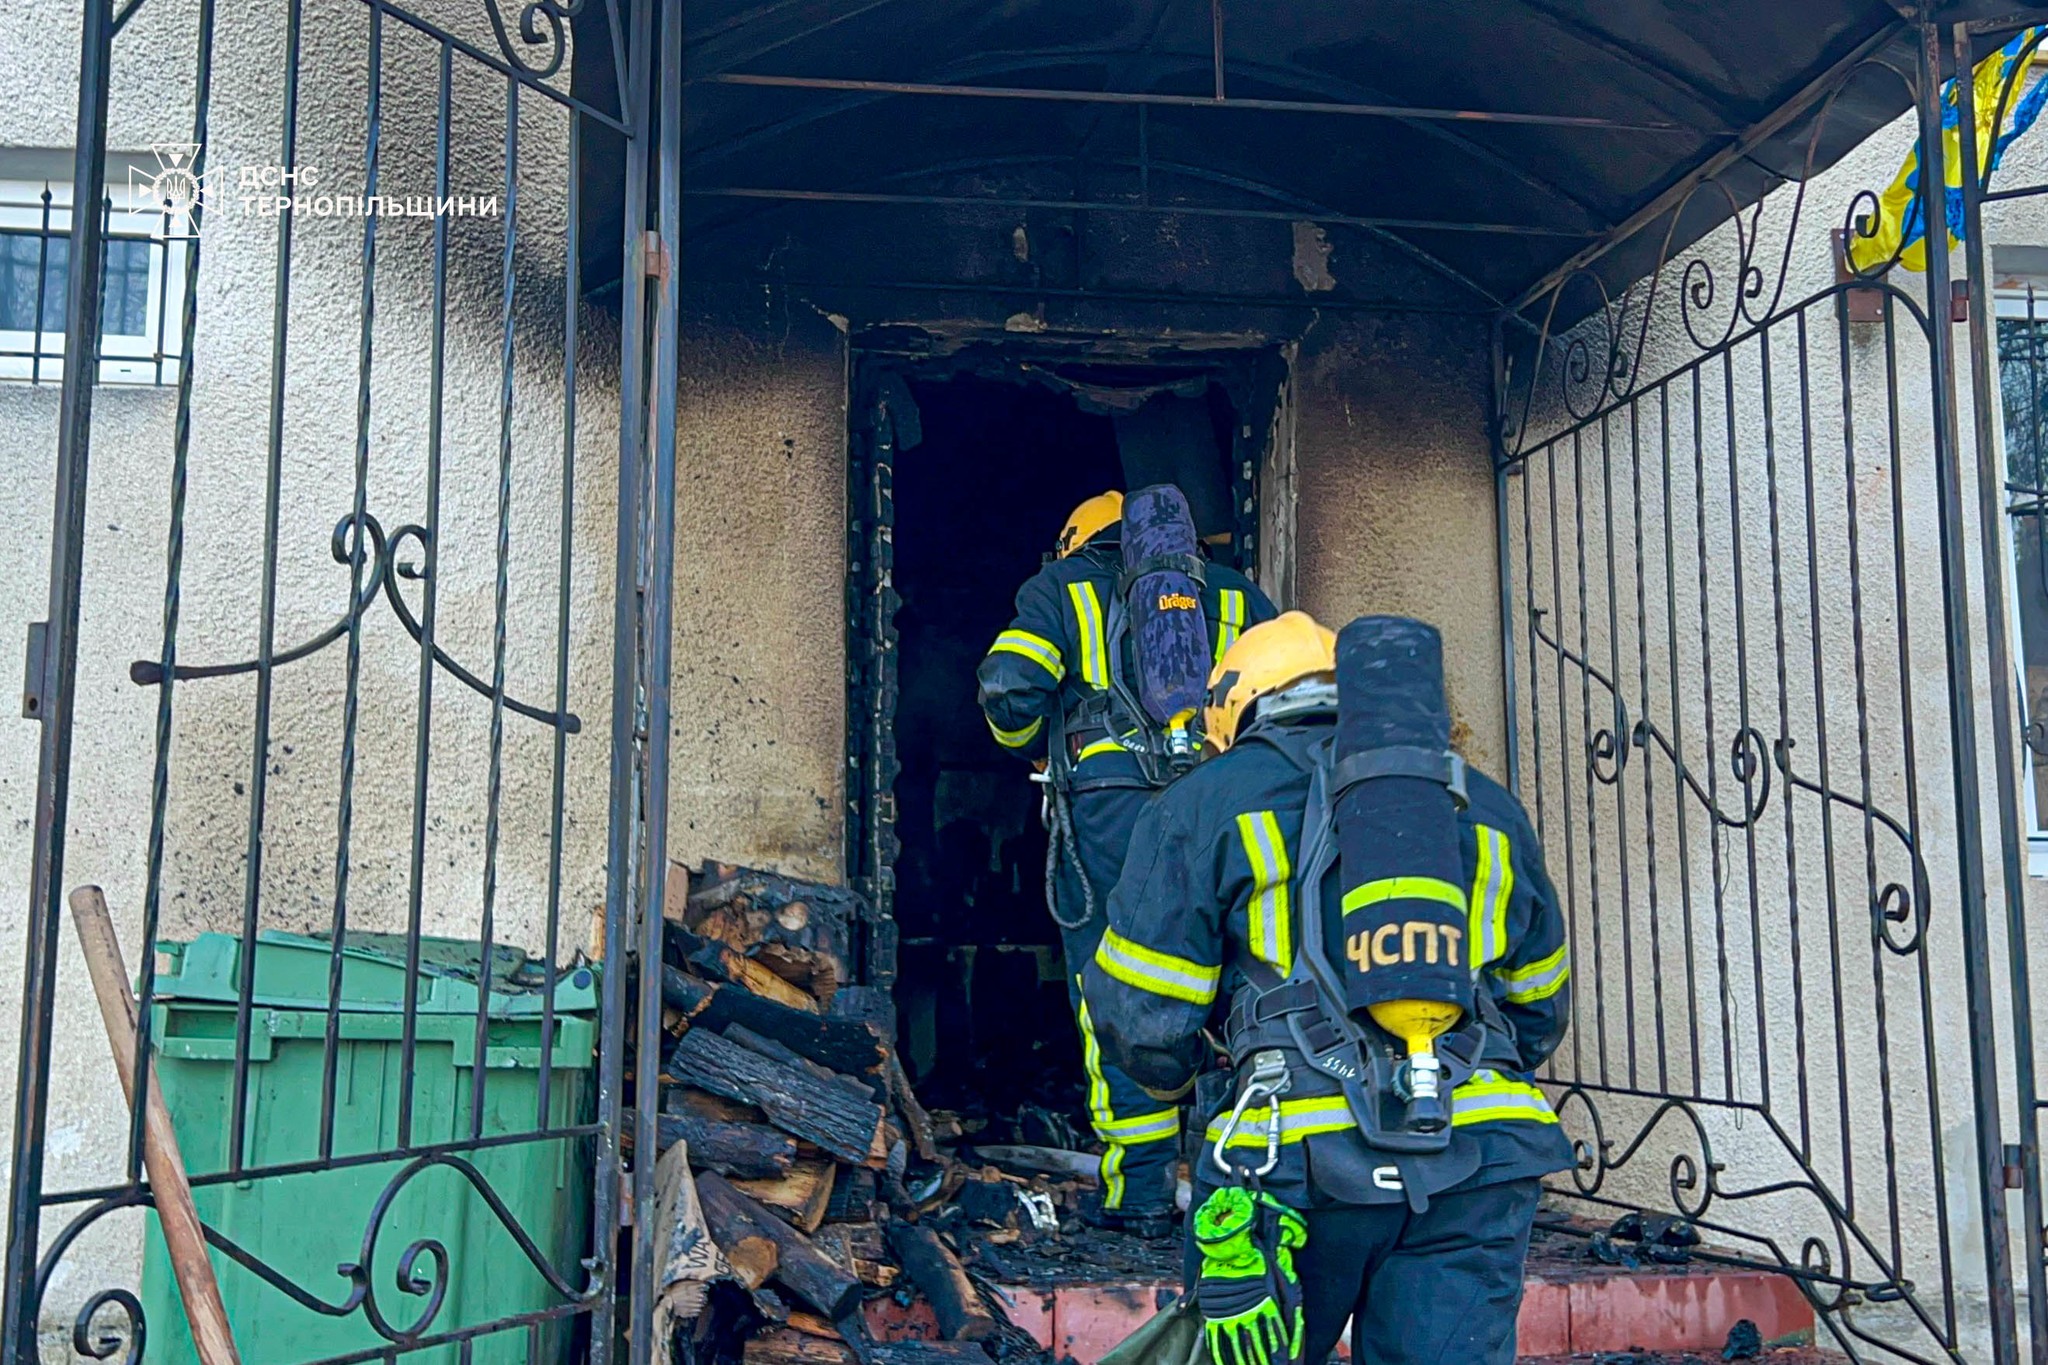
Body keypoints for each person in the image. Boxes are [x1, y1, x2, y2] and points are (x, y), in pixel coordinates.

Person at [1081, 611, 1572, 1363]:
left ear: (1235, 710)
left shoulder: (1207, 800)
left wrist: (1194, 1078)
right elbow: (1538, 1003)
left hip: (1287, 1161)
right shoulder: (1486, 805)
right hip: (1483, 1152)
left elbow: (1142, 1015)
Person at [977, 488, 1276, 1234]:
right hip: (1226, 802)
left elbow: (1009, 689)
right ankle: (1230, 1185)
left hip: (1116, 815)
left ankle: (1140, 1192)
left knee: (1119, 990)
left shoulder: (1061, 588)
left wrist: (1041, 741)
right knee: (1239, 982)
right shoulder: (1237, 594)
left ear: (1080, 542)